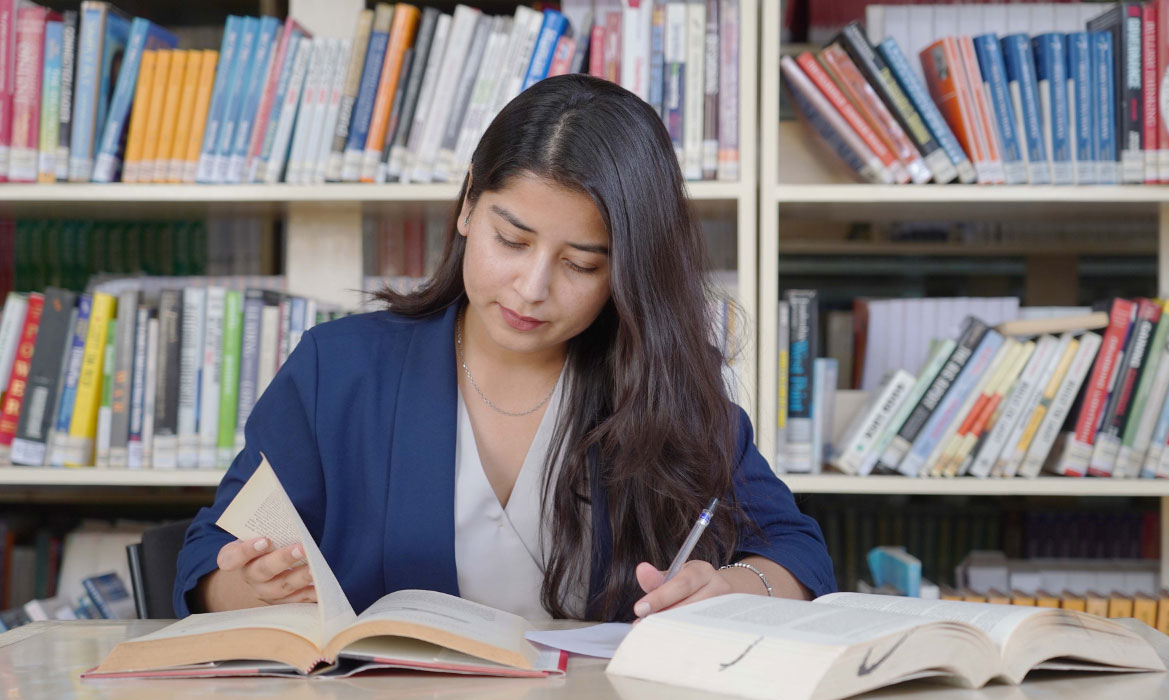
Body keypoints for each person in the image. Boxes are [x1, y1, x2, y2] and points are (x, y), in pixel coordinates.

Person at [174, 74, 835, 623]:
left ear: (628, 273)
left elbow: (798, 554)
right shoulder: (337, 370)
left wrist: (735, 587)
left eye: (580, 264)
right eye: (512, 241)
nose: (531, 287)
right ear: (468, 205)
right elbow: (209, 556)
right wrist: (247, 586)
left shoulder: (663, 392)